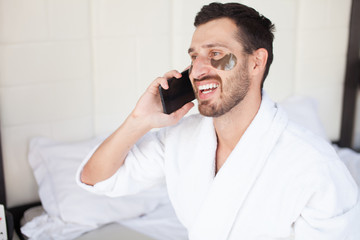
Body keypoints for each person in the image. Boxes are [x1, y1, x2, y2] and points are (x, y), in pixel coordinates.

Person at [77, 2, 360, 239]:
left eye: (215, 54)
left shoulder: (314, 167)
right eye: (194, 57)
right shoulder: (180, 138)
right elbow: (95, 178)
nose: (197, 70)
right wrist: (139, 120)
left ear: (256, 62)